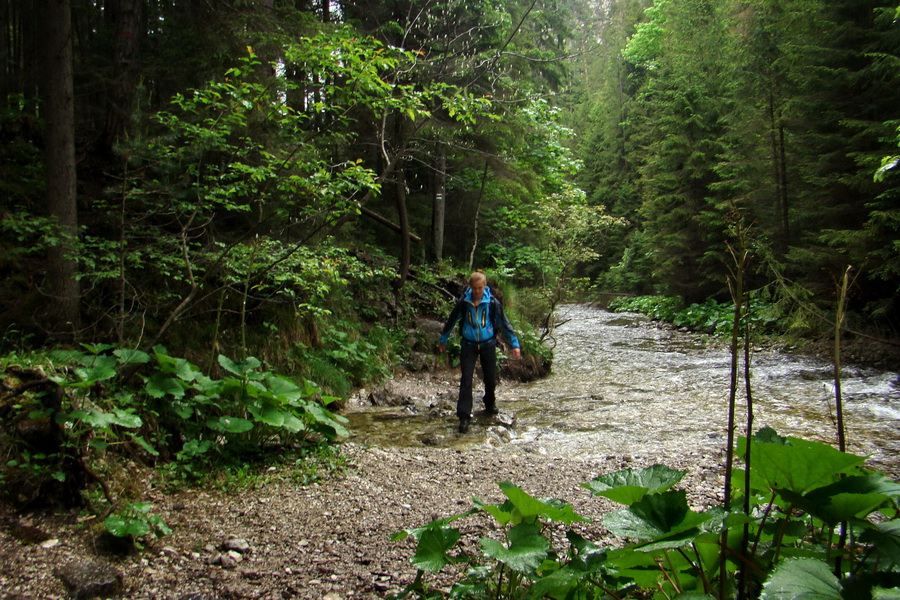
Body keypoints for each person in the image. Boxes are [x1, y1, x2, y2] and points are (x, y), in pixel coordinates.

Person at [437, 271, 522, 433]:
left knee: (490, 378)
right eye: (474, 288)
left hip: (488, 343)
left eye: (480, 288)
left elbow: (504, 323)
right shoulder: (464, 302)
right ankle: (464, 416)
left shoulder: (492, 303)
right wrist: (443, 340)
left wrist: (514, 344)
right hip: (468, 344)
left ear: (485, 287)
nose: (477, 291)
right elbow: (452, 320)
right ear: (470, 287)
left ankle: (489, 402)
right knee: (467, 378)